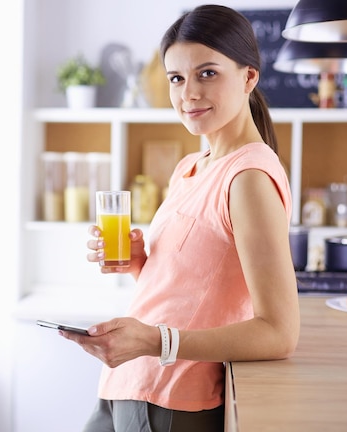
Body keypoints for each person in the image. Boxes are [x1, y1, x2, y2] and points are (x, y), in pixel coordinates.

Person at [60, 5, 300, 431]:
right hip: (125, 382)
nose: (188, 93)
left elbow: (279, 333)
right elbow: (196, 293)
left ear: (249, 77)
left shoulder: (248, 178)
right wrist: (141, 265)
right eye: (176, 78)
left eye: (207, 73)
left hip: (171, 400)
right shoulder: (191, 166)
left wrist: (154, 340)